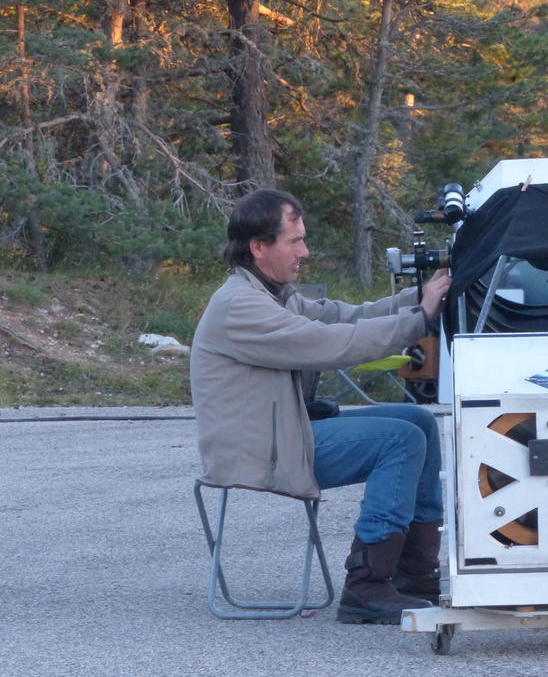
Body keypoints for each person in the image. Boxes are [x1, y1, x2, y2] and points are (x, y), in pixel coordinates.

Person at [190, 188, 452, 625]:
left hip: (284, 434)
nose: (305, 252)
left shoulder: (274, 294)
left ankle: (414, 575)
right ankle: (367, 585)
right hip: (259, 452)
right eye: (294, 241)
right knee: (400, 439)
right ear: (259, 247)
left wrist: (418, 298)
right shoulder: (241, 306)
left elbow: (340, 318)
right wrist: (418, 320)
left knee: (418, 420)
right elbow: (330, 343)